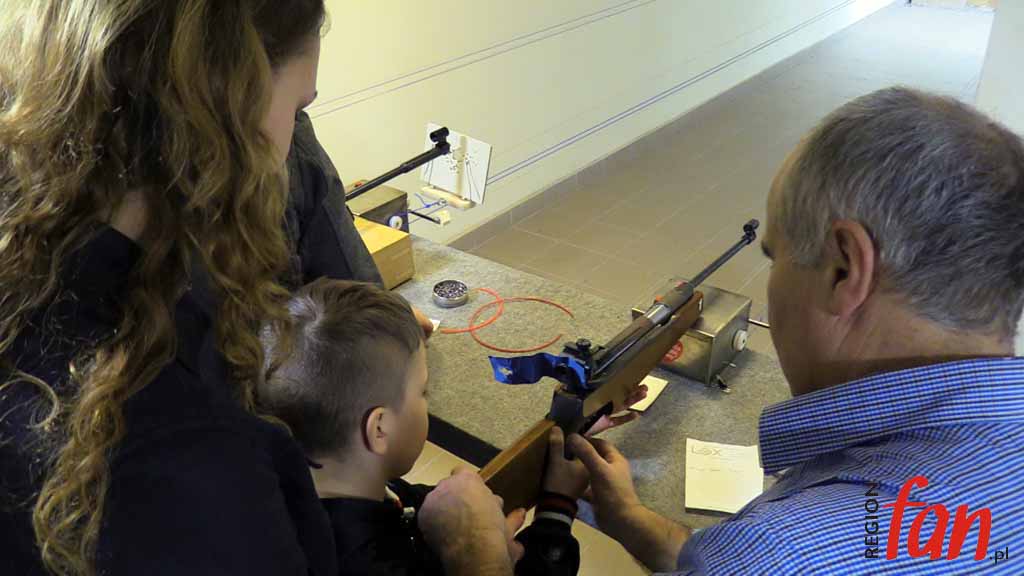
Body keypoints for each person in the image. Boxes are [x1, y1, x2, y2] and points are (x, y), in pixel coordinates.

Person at [419, 87, 1024, 575]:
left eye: (776, 256)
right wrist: (630, 518)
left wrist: (476, 557)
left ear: (845, 270)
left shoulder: (778, 553)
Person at [0, 1, 344, 574]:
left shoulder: (32, 286)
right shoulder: (193, 463)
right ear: (225, 113)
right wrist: (472, 552)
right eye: (297, 107)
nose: (289, 147)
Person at [260, 278, 588, 576]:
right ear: (379, 429)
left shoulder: (308, 495)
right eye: (423, 391)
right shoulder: (393, 564)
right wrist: (556, 510)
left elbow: (409, 506)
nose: (427, 399)